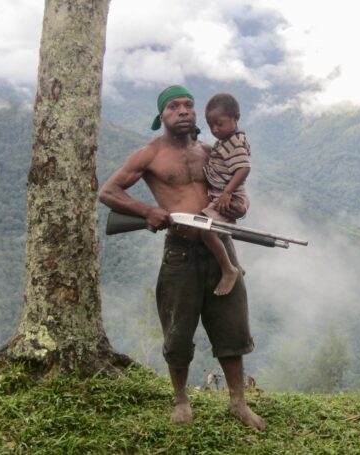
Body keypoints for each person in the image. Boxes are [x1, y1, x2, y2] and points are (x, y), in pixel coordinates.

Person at [98, 85, 266, 431]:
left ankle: (238, 402)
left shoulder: (211, 151)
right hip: (180, 251)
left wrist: (237, 205)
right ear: (161, 116)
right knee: (177, 330)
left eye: (188, 104)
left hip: (220, 246)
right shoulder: (150, 154)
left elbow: (230, 189)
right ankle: (180, 399)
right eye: (174, 106)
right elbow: (108, 192)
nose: (183, 111)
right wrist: (148, 211)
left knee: (231, 325)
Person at [200, 93, 251, 296]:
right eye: (210, 125)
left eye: (219, 124)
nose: (214, 130)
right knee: (220, 231)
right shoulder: (226, 140)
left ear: (235, 117)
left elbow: (244, 168)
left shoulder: (234, 143)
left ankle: (229, 269)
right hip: (224, 196)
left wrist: (227, 193)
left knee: (206, 230)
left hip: (229, 198)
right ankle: (236, 264)